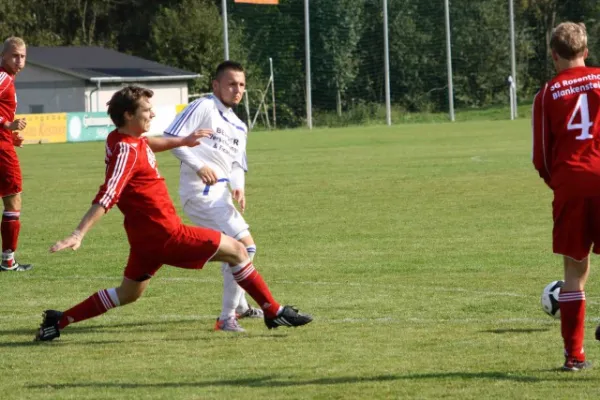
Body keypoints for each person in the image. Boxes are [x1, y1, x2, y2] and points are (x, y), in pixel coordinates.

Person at [34, 85, 312, 341]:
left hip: (144, 241)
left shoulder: (121, 138)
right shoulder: (126, 151)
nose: (152, 113)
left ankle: (58, 321)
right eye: (146, 110)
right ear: (129, 114)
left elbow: (147, 144)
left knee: (128, 294)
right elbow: (108, 194)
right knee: (239, 250)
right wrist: (78, 233)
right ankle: (273, 311)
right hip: (167, 234)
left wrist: (182, 141)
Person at [165, 61, 261, 332]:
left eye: (241, 85)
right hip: (201, 194)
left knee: (236, 251)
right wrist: (200, 165)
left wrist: (238, 185)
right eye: (231, 84)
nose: (237, 89)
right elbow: (171, 138)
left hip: (221, 196)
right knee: (245, 248)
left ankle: (239, 307)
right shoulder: (204, 106)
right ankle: (227, 317)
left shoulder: (239, 126)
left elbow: (236, 165)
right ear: (216, 85)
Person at [532, 21, 600, 371]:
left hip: (571, 182)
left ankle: (575, 356)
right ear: (586, 52)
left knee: (574, 269)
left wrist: (558, 182)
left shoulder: (547, 94)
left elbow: (541, 155)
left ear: (554, 55)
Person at [0, 37, 30, 272]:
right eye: (14, 55)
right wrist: (7, 125)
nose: (19, 60)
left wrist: (11, 135)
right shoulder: (3, 77)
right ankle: (8, 261)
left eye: (22, 56)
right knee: (13, 198)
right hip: (1, 150)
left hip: (4, 143)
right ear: (3, 56)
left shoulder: (8, 79)